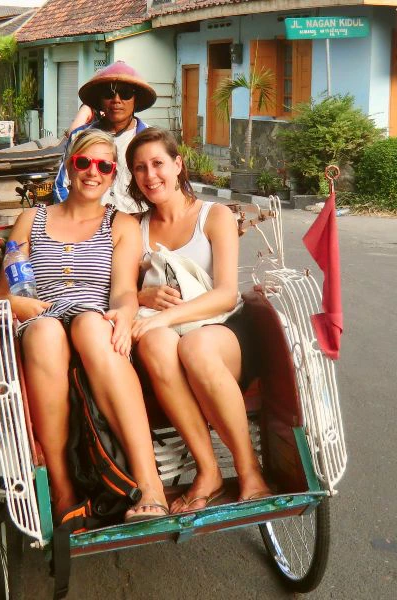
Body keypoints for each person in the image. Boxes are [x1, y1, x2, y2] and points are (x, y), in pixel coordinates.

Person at [0, 129, 168, 522]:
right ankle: (62, 489)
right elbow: (0, 296)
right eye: (84, 162)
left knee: (90, 325)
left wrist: (124, 313)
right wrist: (23, 303)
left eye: (104, 166)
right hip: (41, 319)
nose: (93, 172)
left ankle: (150, 485)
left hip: (94, 320)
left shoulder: (119, 224)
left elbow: (123, 290)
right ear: (69, 166)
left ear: (112, 174)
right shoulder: (30, 220)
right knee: (45, 331)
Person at [127, 128, 271, 512]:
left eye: (158, 163)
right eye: (140, 168)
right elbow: (122, 290)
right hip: (164, 334)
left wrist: (166, 316)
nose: (150, 175)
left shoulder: (214, 214)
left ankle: (249, 471)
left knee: (195, 345)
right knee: (154, 342)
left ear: (178, 165)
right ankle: (209, 472)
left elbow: (226, 293)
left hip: (223, 330)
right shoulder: (134, 226)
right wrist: (143, 296)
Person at [52, 61, 156, 214]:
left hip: (137, 224)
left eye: (125, 93)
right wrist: (78, 220)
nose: (116, 100)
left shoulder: (151, 139)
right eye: (109, 94)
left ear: (136, 99)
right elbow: (61, 186)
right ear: (99, 100)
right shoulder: (80, 136)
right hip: (89, 224)